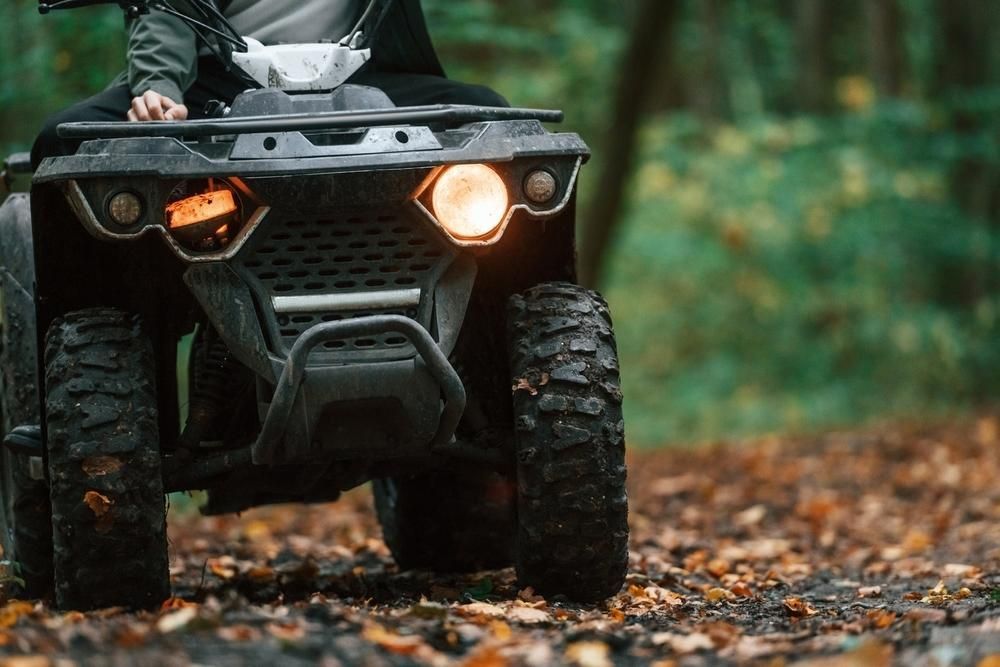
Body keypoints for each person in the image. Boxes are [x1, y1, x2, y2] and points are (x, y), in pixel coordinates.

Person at [31, 0, 507, 168]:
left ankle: (495, 329)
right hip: (217, 81)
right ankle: (104, 327)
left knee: (491, 122)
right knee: (65, 140)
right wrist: (161, 90)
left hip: (360, 82)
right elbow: (163, 16)